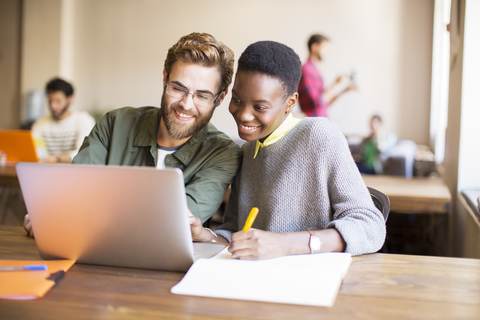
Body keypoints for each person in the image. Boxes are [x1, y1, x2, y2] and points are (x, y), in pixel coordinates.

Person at [24, 32, 242, 237]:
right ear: (165, 78)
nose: (186, 104)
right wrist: (53, 215)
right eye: (177, 88)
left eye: (202, 96)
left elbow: (171, 224)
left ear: (220, 98)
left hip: (169, 272)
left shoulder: (223, 153)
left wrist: (73, 214)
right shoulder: (114, 123)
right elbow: (75, 195)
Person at [189, 40, 386, 259]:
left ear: (290, 103)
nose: (243, 114)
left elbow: (371, 227)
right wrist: (205, 236)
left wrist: (285, 243)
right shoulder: (246, 151)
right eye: (236, 99)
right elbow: (236, 232)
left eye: (260, 107)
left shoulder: (319, 136)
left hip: (313, 282)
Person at [31, 78, 96, 163]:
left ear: (69, 99)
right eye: (50, 101)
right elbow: (36, 151)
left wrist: (58, 159)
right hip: (46, 170)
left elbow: (84, 153)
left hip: (75, 172)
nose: (52, 106)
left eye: (58, 101)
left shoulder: (84, 120)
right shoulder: (40, 123)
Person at [297, 34, 355, 117]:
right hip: (314, 123)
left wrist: (344, 90)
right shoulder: (306, 70)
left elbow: (325, 103)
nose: (327, 52)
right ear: (314, 47)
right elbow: (316, 102)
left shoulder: (316, 71)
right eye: (325, 48)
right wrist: (335, 84)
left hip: (322, 121)